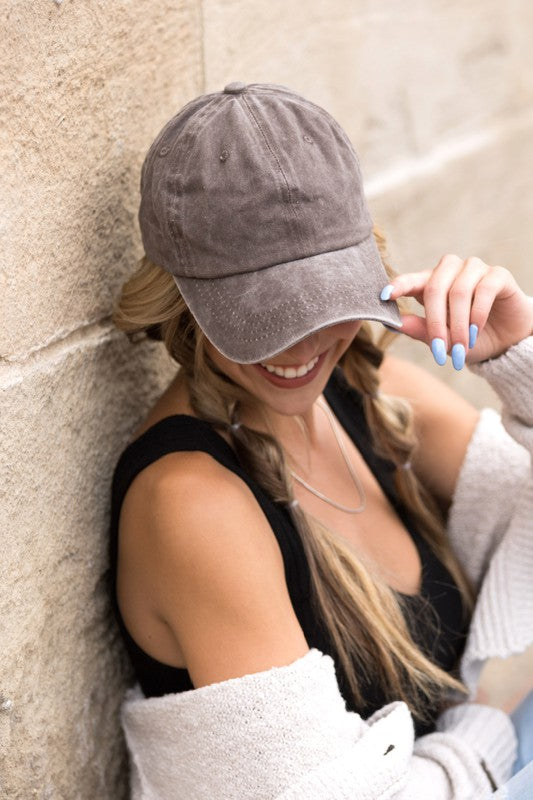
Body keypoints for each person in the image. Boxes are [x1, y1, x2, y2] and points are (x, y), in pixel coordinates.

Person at [109, 82, 533, 798]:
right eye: (264, 312)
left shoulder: (371, 397)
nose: (301, 346)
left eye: (322, 297)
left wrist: (517, 359)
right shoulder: (192, 503)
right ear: (183, 295)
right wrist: (486, 731)